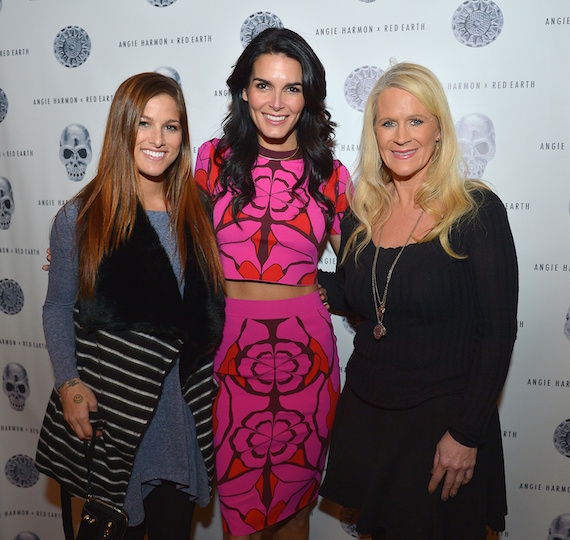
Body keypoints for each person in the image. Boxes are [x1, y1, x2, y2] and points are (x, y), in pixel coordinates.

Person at [318, 62, 518, 539]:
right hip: (369, 415)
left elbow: (497, 332)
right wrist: (275, 279)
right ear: (374, 133)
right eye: (388, 122)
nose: (401, 136)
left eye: (415, 121)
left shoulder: (476, 211)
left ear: (438, 131)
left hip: (443, 425)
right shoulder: (362, 213)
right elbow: (351, 293)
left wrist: (466, 433)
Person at [35, 72, 225, 540]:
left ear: (183, 135)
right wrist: (67, 382)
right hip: (113, 414)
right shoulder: (80, 216)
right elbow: (57, 307)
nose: (158, 139)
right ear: (123, 128)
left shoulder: (200, 211)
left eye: (171, 126)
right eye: (144, 123)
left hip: (180, 418)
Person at [194, 28, 349, 540]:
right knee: (241, 514)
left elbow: (369, 262)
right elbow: (170, 239)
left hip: (308, 357)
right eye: (263, 86)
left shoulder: (330, 172)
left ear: (308, 96)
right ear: (243, 90)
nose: (276, 103)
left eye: (292, 88)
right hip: (230, 352)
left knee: (295, 506)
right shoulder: (212, 160)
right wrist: (88, 252)